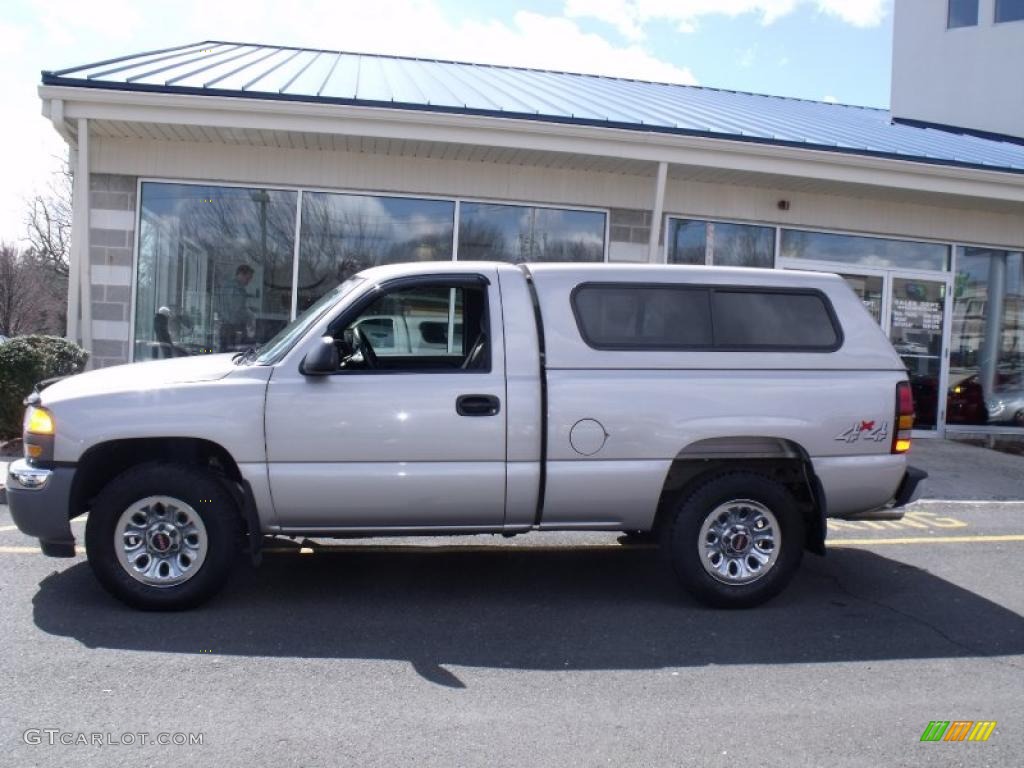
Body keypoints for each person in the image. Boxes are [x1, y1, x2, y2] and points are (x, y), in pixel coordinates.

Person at [218, 264, 254, 351]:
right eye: (247, 278)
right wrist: (250, 316)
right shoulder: (235, 288)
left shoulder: (229, 286)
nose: (248, 282)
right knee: (231, 356)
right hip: (232, 328)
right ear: (241, 274)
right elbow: (236, 309)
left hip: (228, 328)